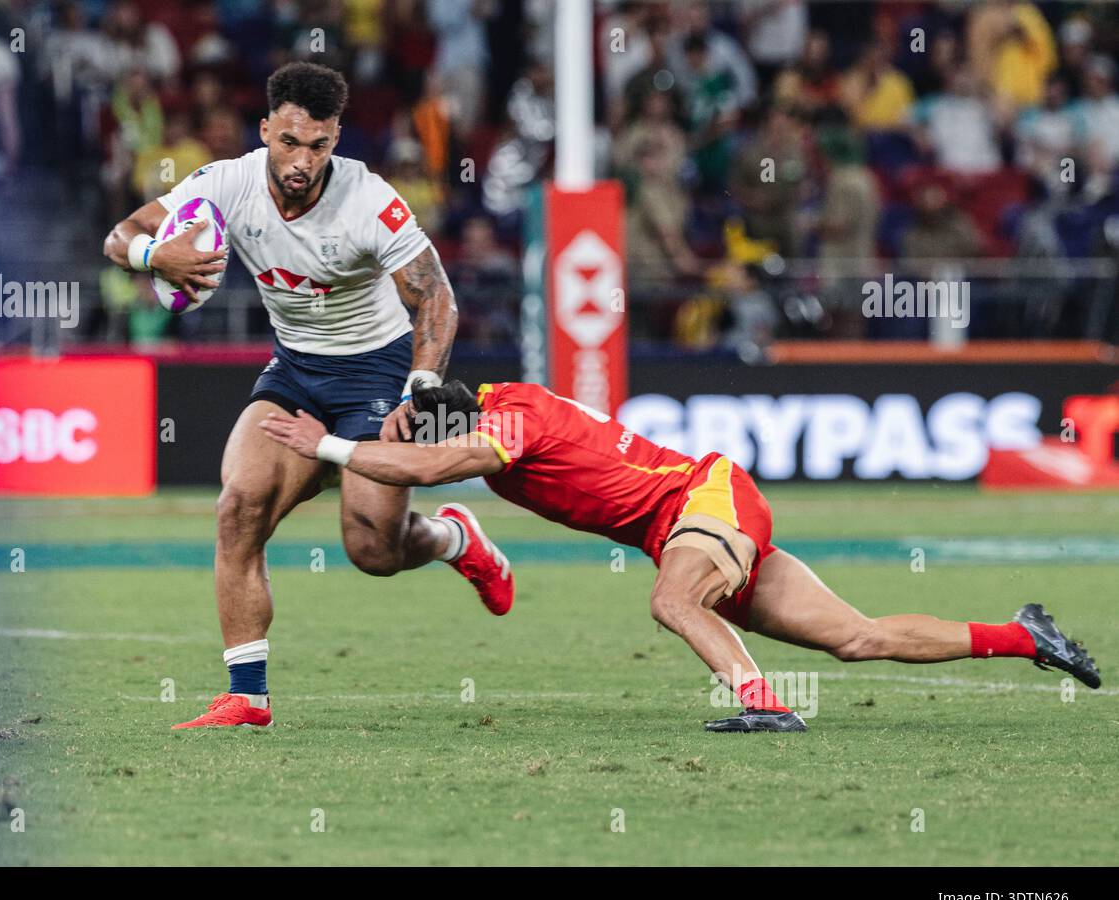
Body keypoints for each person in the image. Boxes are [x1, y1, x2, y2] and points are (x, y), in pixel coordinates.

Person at [261, 381, 1102, 732]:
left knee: (671, 603)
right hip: (689, 518)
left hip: (702, 500)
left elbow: (424, 466)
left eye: (412, 427)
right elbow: (421, 455)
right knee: (857, 637)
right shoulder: (492, 411)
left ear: (448, 421)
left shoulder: (502, 425)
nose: (399, 442)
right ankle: (1027, 636)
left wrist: (326, 445)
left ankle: (766, 706)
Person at [103, 63, 514, 730]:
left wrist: (422, 387)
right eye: (288, 142)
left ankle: (451, 538)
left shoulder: (369, 198)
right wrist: (156, 257)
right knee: (238, 508)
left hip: (378, 375)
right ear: (266, 129)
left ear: (336, 140)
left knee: (373, 551)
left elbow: (435, 294)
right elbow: (118, 236)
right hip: (296, 374)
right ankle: (248, 695)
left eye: (318, 146)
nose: (301, 161)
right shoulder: (226, 182)